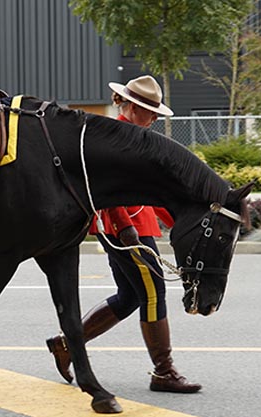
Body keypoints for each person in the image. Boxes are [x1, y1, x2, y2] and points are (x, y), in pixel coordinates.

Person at [46, 75, 202, 393]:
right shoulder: (112, 138)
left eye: (157, 111)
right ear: (129, 105)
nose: (155, 117)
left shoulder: (135, 137)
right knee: (154, 293)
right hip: (125, 230)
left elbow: (150, 194)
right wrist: (123, 227)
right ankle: (164, 371)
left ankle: (65, 345)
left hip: (135, 227)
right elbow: (106, 191)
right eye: (149, 109)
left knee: (131, 296)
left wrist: (179, 222)